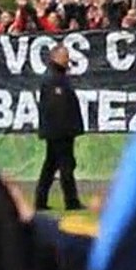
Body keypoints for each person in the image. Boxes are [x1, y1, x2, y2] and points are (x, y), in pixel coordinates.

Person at [35, 45, 84, 211]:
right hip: (60, 131)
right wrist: (67, 130)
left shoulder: (58, 77)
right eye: (65, 56)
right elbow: (57, 108)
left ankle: (40, 201)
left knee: (50, 166)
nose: (67, 59)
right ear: (55, 57)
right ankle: (71, 201)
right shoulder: (54, 79)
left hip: (57, 130)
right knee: (66, 166)